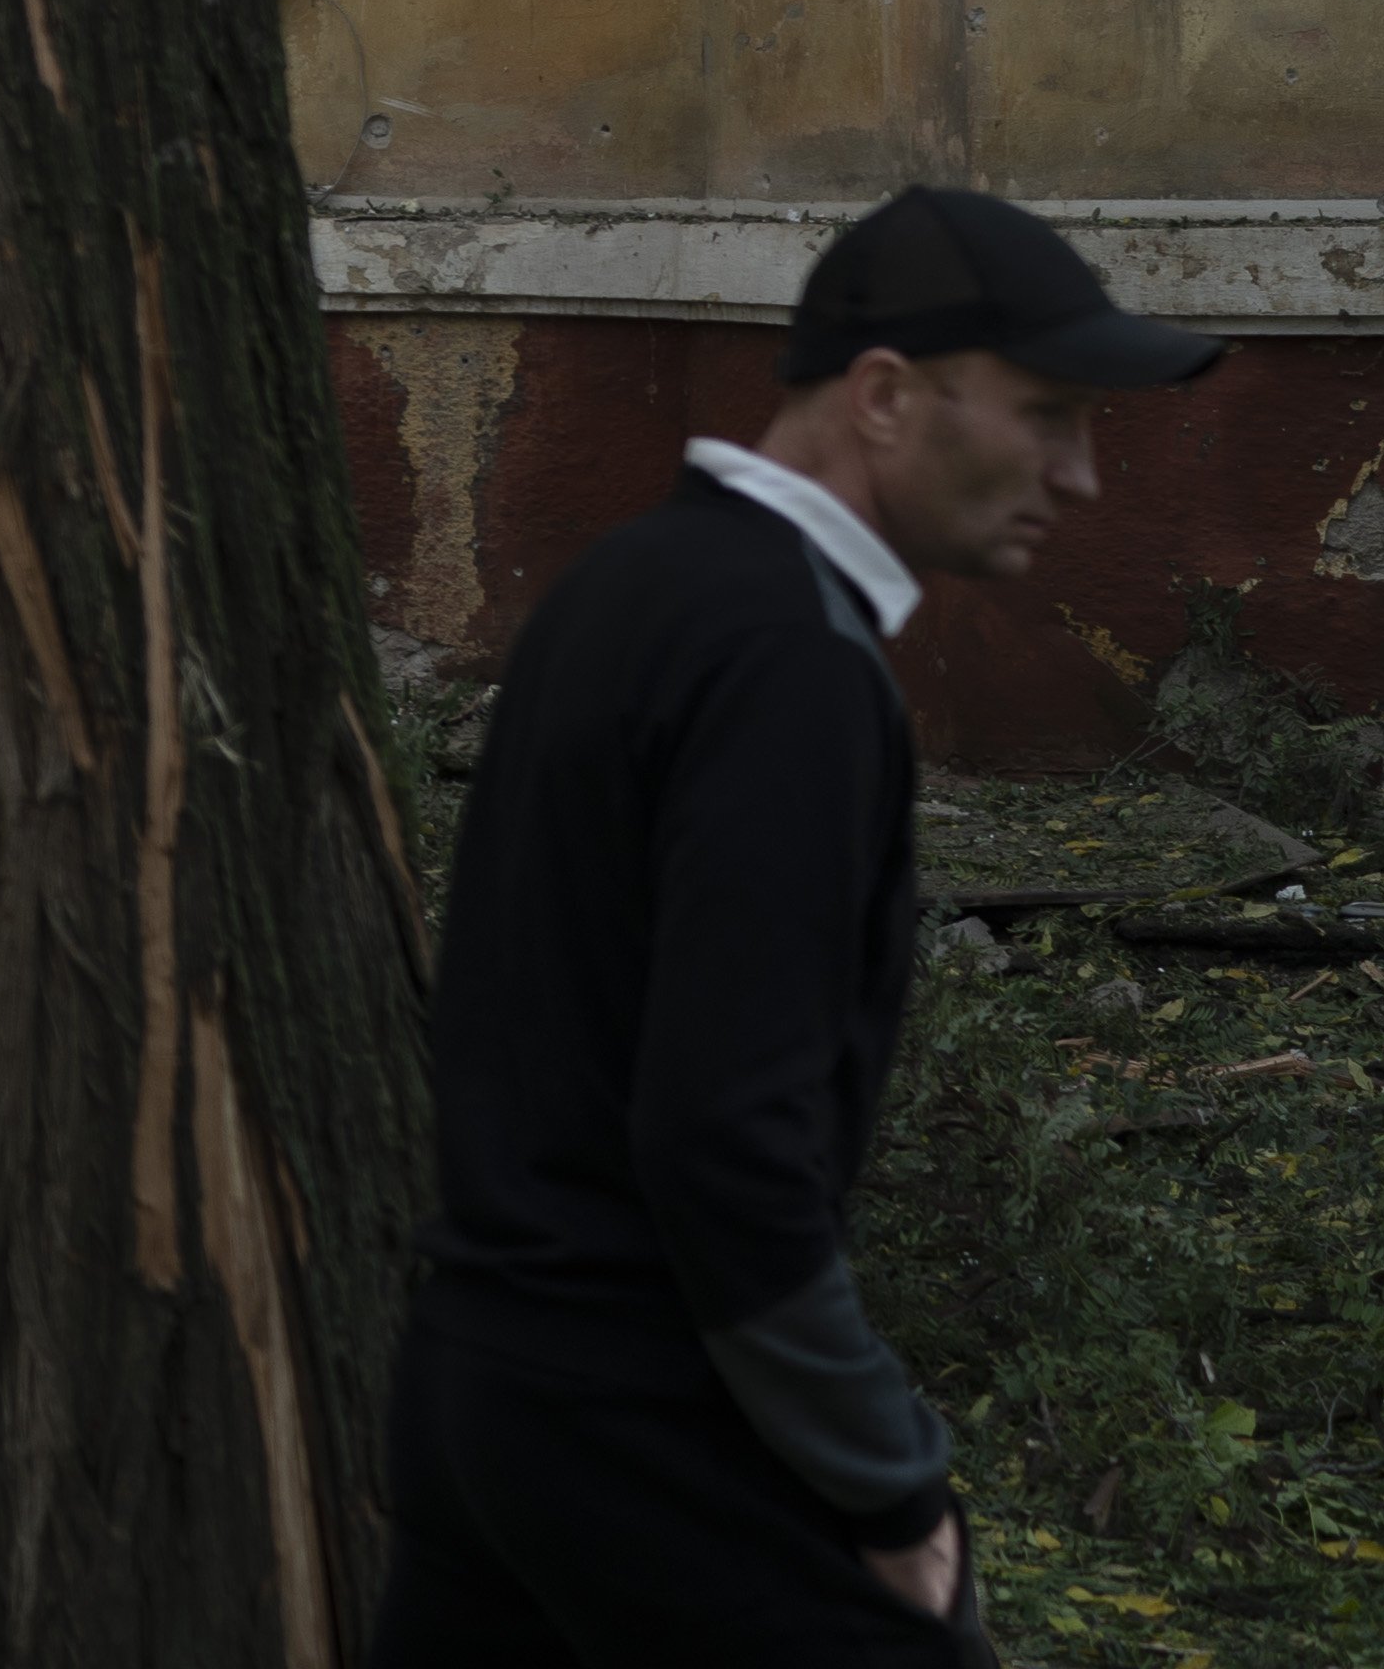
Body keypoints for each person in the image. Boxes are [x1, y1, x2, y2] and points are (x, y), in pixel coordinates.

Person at [368, 185, 1227, 1666]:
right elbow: (726, 1145)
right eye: (1046, 415)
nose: (1081, 477)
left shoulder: (630, 585)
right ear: (887, 395)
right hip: (652, 1424)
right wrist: (892, 1490)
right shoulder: (790, 666)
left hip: (481, 1395)